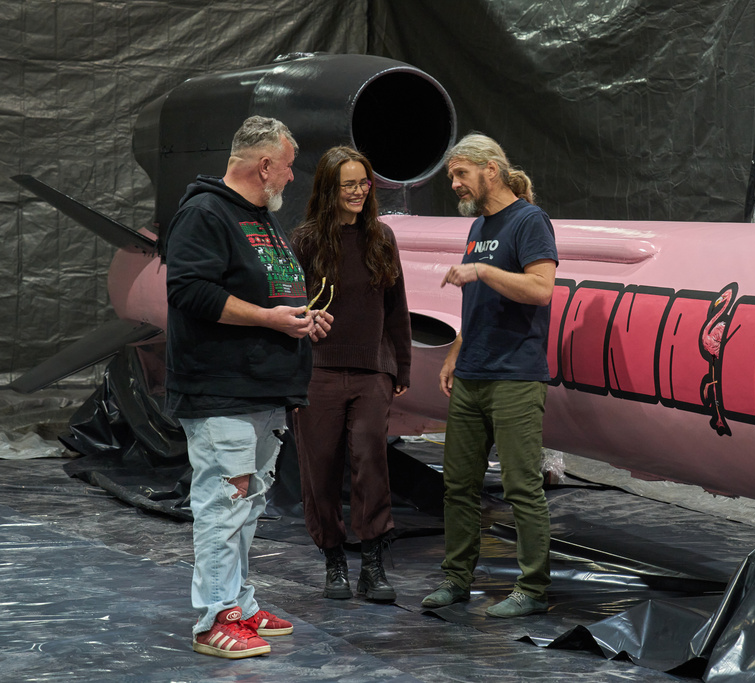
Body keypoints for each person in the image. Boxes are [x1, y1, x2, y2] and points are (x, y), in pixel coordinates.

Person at [162, 116, 332, 659]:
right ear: (264, 165)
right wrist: (270, 319)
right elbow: (190, 291)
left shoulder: (261, 220)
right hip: (221, 393)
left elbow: (268, 297)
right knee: (223, 503)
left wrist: (300, 319)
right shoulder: (206, 212)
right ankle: (216, 617)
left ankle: (240, 601)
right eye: (286, 166)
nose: (289, 176)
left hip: (262, 390)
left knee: (248, 505)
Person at [420, 133, 558, 618]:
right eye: (452, 176)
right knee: (458, 484)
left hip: (515, 375)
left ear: (490, 171)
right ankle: (457, 580)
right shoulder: (479, 225)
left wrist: (480, 271)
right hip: (474, 371)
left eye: (461, 174)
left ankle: (533, 589)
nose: (455, 184)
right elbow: (477, 302)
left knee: (522, 486)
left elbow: (541, 289)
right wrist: (457, 350)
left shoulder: (529, 221)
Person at [290, 146, 412, 603]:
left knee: (371, 465)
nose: (360, 191)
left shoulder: (382, 238)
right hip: (317, 372)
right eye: (349, 184)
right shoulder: (303, 241)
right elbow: (285, 307)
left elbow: (396, 309)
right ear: (329, 189)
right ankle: (334, 561)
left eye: (364, 182)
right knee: (319, 470)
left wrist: (399, 365)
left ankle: (373, 566)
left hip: (371, 371)